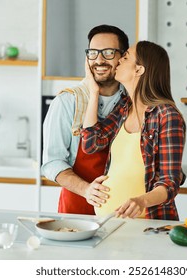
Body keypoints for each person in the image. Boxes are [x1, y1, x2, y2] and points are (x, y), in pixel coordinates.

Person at [81, 41, 186, 220]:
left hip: (148, 226)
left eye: (126, 57)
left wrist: (141, 201)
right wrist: (94, 92)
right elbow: (91, 143)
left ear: (138, 70)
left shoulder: (167, 115)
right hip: (107, 224)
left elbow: (170, 182)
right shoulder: (124, 108)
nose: (119, 60)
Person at [41, 24, 129, 215]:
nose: (99, 60)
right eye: (93, 53)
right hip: (76, 209)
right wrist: (86, 190)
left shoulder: (131, 102)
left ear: (123, 57)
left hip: (122, 209)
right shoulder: (67, 101)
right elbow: (52, 163)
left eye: (108, 53)